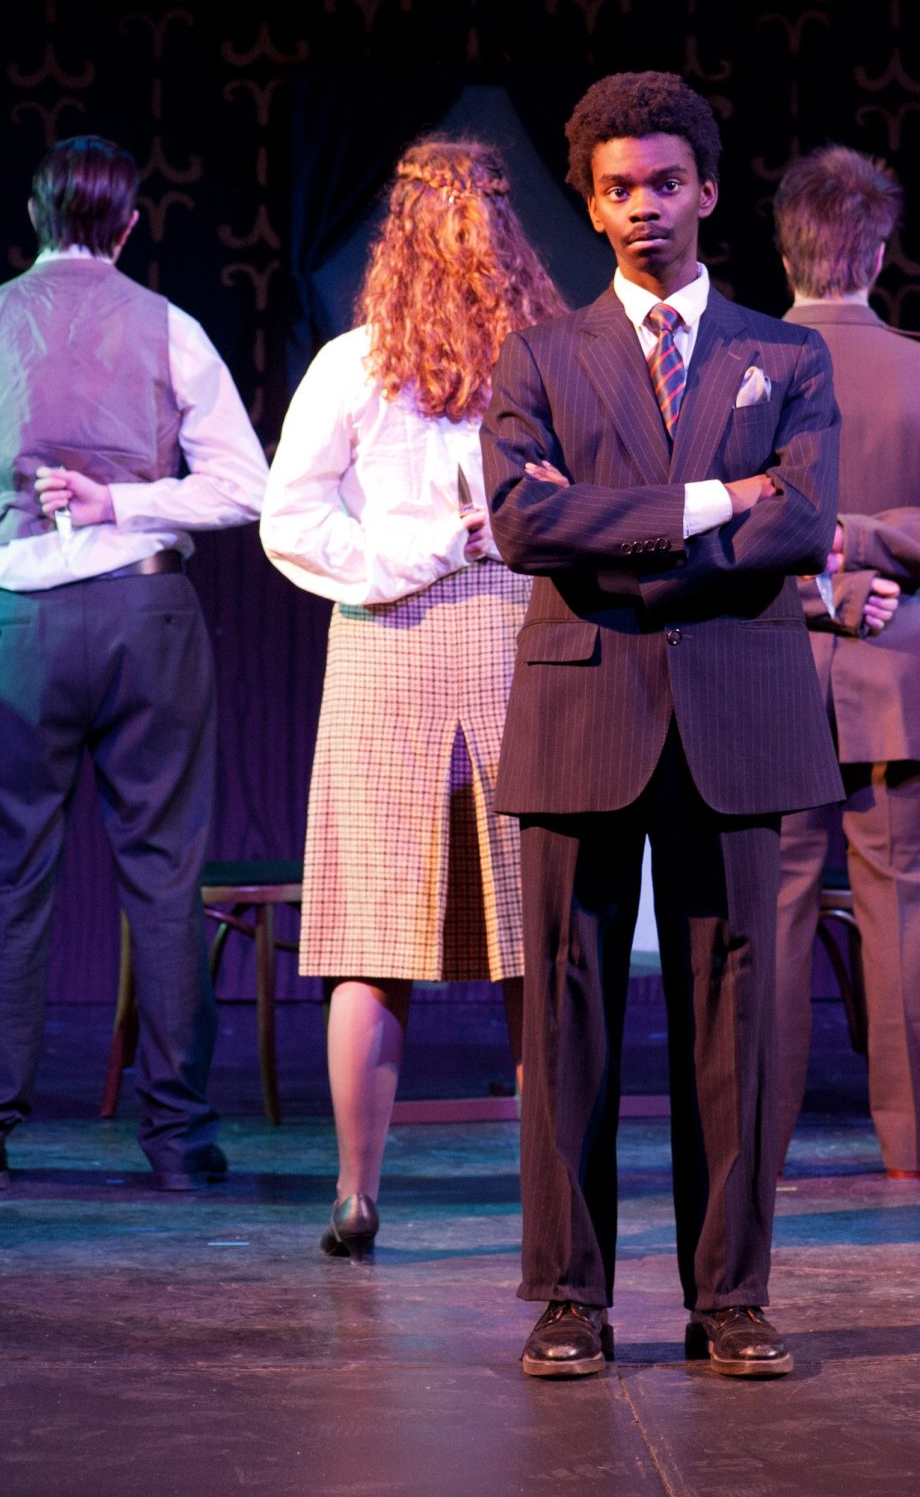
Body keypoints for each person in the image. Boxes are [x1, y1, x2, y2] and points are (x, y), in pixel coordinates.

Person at [483, 71, 842, 1379]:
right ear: (590, 205)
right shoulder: (538, 355)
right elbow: (523, 522)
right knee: (565, 1012)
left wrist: (617, 532)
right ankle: (569, 1295)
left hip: (736, 704)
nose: (645, 206)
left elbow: (802, 521)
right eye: (619, 188)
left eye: (666, 183)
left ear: (708, 191)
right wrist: (707, 504)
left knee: (736, 1014)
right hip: (583, 701)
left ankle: (731, 1295)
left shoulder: (785, 353)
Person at [0, 135, 268, 1193]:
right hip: (144, 617)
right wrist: (134, 502)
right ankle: (179, 1138)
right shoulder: (172, 328)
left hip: (16, 628)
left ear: (33, 216)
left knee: (6, 878)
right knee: (165, 876)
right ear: (128, 224)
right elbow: (245, 488)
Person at [261, 140, 564, 1258]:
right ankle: (551, 1197)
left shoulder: (353, 363)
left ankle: (357, 1191)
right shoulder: (548, 356)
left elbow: (293, 521)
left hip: (401, 645)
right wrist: (468, 538)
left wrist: (407, 555)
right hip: (510, 640)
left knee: (374, 938)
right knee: (530, 937)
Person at [764, 145, 920, 1183]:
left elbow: (701, 530)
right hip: (899, 668)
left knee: (766, 922)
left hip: (767, 672)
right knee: (905, 917)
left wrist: (831, 555)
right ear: (877, 253)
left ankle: (750, 1149)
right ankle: (916, 1145)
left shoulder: (736, 371)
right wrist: (868, 555)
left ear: (785, 246)